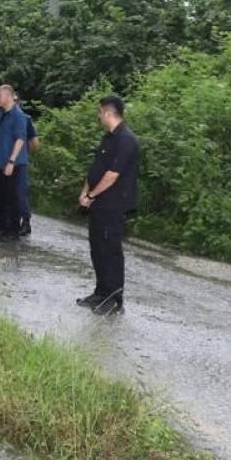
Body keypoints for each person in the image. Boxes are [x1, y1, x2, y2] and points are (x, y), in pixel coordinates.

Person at [77, 95, 140, 316]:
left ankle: (114, 298)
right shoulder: (109, 137)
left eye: (99, 112)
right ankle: (101, 292)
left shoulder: (126, 139)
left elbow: (112, 175)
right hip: (98, 202)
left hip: (113, 203)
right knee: (97, 248)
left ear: (107, 112)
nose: (98, 116)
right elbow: (97, 168)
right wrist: (85, 191)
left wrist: (92, 194)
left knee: (111, 250)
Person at [0, 85, 28, 242]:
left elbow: (20, 139)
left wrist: (11, 161)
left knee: (12, 197)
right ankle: (2, 226)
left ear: (9, 96)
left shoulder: (18, 115)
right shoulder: (2, 114)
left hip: (12, 164)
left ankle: (13, 230)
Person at [18, 115, 39, 235]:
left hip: (20, 163)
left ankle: (26, 222)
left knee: (21, 191)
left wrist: (24, 154)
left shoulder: (25, 119)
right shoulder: (3, 116)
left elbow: (35, 143)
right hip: (4, 160)